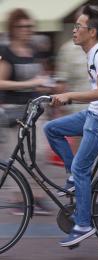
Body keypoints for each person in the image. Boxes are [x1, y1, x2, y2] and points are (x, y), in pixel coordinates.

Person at [44, 4, 98, 246]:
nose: (74, 30)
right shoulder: (92, 54)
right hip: (94, 114)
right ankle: (73, 178)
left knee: (82, 168)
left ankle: (82, 224)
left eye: (78, 26)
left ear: (92, 31)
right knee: (51, 128)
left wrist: (69, 95)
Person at [0, 8, 56, 215]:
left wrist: (45, 86)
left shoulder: (33, 50)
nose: (26, 30)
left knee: (40, 152)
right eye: (21, 26)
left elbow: (40, 77)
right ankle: (19, 200)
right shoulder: (6, 52)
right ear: (13, 28)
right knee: (17, 155)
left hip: (35, 110)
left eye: (29, 26)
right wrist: (30, 82)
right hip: (15, 112)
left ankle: (37, 196)